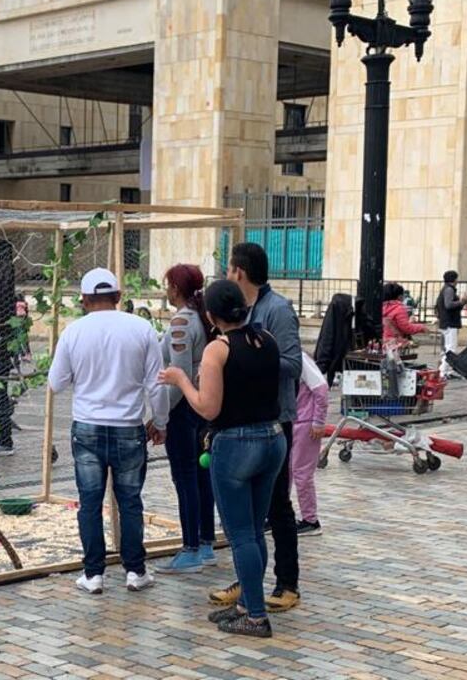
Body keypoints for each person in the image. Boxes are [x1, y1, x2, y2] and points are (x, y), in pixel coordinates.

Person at [159, 279, 285, 638]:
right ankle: (248, 602)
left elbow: (208, 407)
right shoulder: (268, 340)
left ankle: (256, 616)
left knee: (241, 534)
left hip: (235, 443)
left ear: (212, 316)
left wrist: (181, 379)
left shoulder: (218, 349)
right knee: (256, 528)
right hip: (273, 438)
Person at [48, 268, 166, 595]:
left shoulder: (73, 332)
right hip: (129, 427)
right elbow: (156, 385)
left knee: (89, 502)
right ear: (118, 297)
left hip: (87, 428)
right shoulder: (142, 329)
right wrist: (160, 422)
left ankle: (94, 574)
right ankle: (135, 570)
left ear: (84, 300)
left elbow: (56, 383)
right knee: (130, 501)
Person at [208, 243, 303, 614]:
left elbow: (293, 364)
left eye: (229, 268)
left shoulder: (277, 310)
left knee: (277, 505)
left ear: (239, 272)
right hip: (239, 422)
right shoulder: (239, 311)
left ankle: (287, 582)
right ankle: (247, 582)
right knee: (245, 516)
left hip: (273, 419)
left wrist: (250, 362)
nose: (227, 273)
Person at [156, 264, 215, 574]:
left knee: (186, 477)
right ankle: (205, 542)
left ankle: (190, 546)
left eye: (168, 284)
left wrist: (159, 417)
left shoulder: (182, 321)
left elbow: (177, 376)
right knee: (201, 475)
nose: (166, 289)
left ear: (176, 288)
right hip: (202, 403)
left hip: (184, 409)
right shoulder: (202, 317)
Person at [291, 352, 330, 536]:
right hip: (294, 420)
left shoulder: (300, 359)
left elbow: (321, 388)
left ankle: (310, 519)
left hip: (305, 423)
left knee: (301, 472)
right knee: (287, 472)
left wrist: (318, 421)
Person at [434, 271, 467, 376]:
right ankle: (443, 371)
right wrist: (462, 301)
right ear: (454, 279)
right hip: (449, 323)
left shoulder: (446, 289)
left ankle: (447, 370)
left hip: (447, 322)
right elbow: (448, 305)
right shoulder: (449, 290)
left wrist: (462, 302)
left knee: (448, 348)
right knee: (451, 348)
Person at [382, 283, 426, 348]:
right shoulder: (399, 308)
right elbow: (406, 328)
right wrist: (421, 328)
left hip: (381, 342)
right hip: (395, 343)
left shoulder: (381, 307)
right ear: (399, 296)